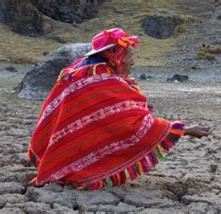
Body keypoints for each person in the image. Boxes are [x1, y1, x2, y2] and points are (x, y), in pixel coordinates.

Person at [27, 28, 210, 190]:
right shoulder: (104, 82)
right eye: (130, 57)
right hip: (69, 164)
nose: (133, 62)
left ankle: (58, 165)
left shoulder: (80, 70)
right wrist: (183, 130)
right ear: (117, 57)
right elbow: (130, 126)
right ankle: (69, 170)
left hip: (56, 152)